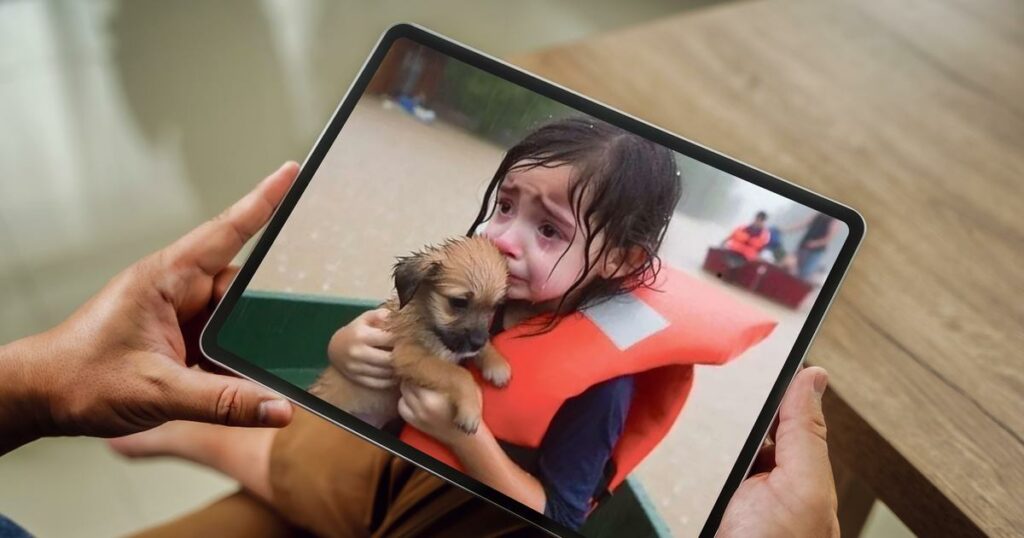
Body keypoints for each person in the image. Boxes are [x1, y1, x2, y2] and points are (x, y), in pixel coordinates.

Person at [107, 120, 837, 537]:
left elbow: (558, 514)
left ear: (620, 260)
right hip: (361, 454)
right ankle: (204, 440)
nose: (507, 238)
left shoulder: (600, 388)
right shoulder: (479, 276)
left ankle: (200, 440)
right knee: (313, 462)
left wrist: (470, 439)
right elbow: (376, 342)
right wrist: (348, 346)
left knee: (312, 485)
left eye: (547, 229)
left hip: (438, 503)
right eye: (505, 204)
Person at [787, 213, 840, 281]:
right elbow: (803, 224)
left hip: (816, 252)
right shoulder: (818, 215)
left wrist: (815, 243)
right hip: (803, 246)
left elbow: (828, 239)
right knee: (790, 266)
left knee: (804, 273)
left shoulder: (834, 221)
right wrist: (788, 229)